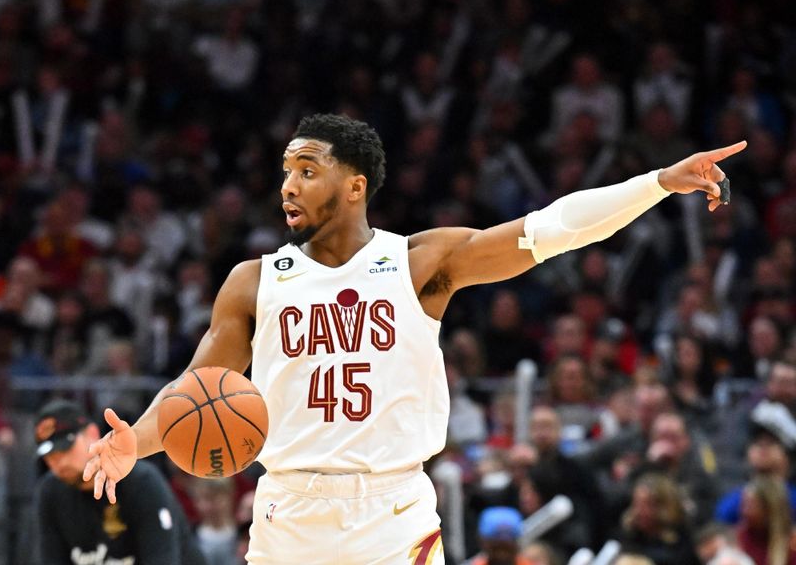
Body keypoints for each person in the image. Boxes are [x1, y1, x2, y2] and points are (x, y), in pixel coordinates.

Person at [83, 113, 745, 564]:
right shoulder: (254, 282)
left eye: (307, 171)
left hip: (391, 509)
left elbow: (553, 229)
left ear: (354, 185)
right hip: (289, 510)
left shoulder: (418, 262)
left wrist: (656, 183)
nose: (287, 184)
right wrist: (133, 445)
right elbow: (194, 393)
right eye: (286, 171)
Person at [34, 398, 206, 565]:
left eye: (66, 448)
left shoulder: (142, 482)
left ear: (92, 434)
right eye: (50, 456)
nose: (59, 461)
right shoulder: (50, 492)